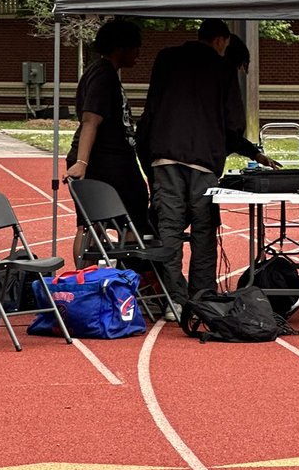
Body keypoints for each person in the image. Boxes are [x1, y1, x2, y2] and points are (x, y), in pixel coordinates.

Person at [139, 18, 279, 315]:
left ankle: (173, 299)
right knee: (203, 230)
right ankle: (202, 295)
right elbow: (233, 125)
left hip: (164, 157)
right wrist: (244, 151)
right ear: (221, 40)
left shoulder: (165, 58)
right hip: (203, 163)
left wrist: (148, 160)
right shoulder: (223, 67)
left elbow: (150, 110)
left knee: (170, 231)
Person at [64, 18, 150, 266]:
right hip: (105, 162)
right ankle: (127, 280)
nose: (138, 54)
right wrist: (81, 163)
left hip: (113, 161)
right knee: (119, 220)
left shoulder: (103, 72)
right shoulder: (103, 75)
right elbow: (90, 120)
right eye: (135, 47)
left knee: (92, 224)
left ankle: (95, 282)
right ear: (120, 47)